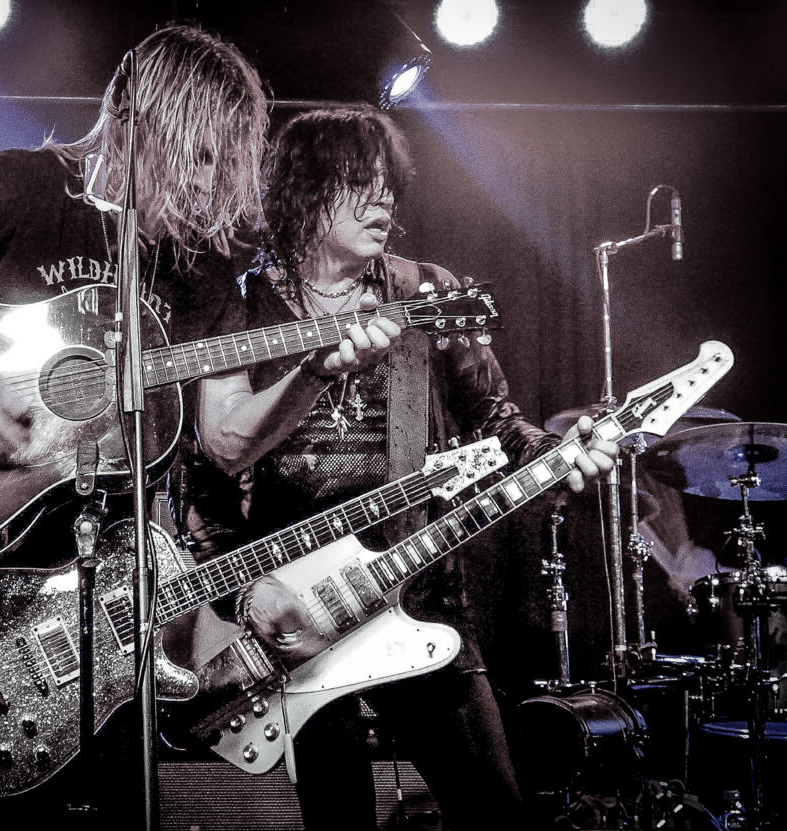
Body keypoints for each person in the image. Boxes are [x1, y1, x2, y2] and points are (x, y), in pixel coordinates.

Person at [0, 21, 316, 831]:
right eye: (195, 152)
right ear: (134, 116)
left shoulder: (197, 260)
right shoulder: (26, 189)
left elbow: (226, 438)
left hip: (110, 606)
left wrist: (317, 364)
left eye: (222, 159)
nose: (207, 182)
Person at [178, 105, 620, 830]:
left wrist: (559, 452)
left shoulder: (424, 290)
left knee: (497, 813)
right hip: (297, 617)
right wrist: (243, 592)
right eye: (362, 182)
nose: (385, 200)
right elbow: (206, 471)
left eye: (390, 186)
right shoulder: (244, 304)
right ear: (306, 190)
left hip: (418, 592)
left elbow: (498, 422)